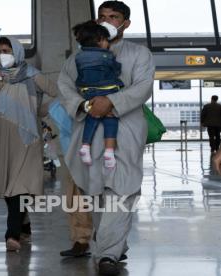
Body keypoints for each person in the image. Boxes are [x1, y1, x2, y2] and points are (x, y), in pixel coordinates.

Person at [57, 1, 155, 275]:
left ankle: (107, 256)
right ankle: (114, 245)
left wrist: (110, 102)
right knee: (96, 190)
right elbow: (64, 84)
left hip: (126, 129)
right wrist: (85, 105)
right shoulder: (79, 56)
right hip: (89, 129)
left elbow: (143, 87)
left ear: (126, 23)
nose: (107, 21)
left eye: (114, 17)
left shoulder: (139, 54)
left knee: (122, 188)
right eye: (102, 17)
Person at [0, 37, 58, 251]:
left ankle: (11, 234)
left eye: (6, 50)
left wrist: (40, 110)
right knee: (8, 186)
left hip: (27, 138)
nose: (2, 54)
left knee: (19, 185)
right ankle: (24, 223)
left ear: (18, 52)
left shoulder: (32, 75)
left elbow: (58, 94)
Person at [73, 21, 124, 169]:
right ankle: (109, 151)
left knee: (92, 116)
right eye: (106, 40)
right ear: (100, 40)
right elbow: (116, 70)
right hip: (107, 90)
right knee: (111, 117)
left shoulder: (78, 57)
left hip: (87, 91)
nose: (108, 43)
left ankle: (85, 146)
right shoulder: (106, 56)